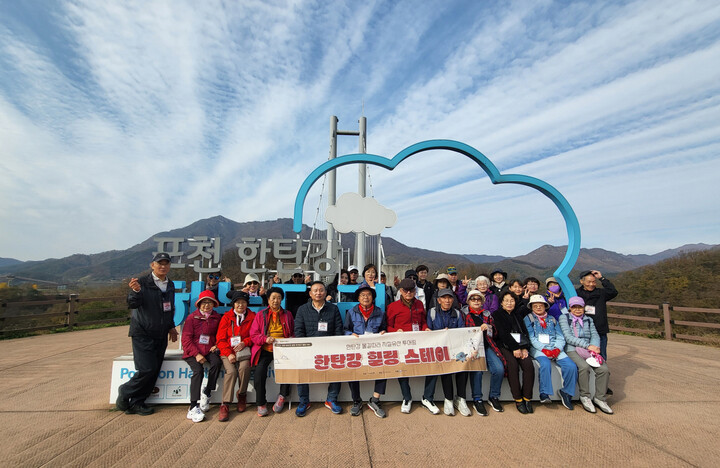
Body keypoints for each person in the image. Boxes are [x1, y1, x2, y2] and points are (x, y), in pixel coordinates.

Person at [117, 252, 178, 416]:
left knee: (155, 370)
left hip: (161, 333)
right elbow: (132, 303)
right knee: (147, 369)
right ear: (152, 265)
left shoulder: (170, 285)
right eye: (160, 263)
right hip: (143, 332)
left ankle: (137, 403)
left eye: (166, 263)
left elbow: (169, 308)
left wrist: (171, 327)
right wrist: (135, 292)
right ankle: (125, 391)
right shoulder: (142, 282)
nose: (163, 266)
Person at [294, 281, 344, 416]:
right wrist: (305, 347)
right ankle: (304, 401)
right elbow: (298, 331)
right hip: (308, 349)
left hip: (329, 348)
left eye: (321, 290)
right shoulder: (302, 309)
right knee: (302, 372)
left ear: (325, 293)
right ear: (310, 294)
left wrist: (334, 346)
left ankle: (331, 399)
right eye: (315, 290)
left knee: (336, 369)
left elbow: (338, 329)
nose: (318, 293)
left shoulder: (333, 309)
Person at [559, 296, 613, 414]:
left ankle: (600, 398)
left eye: (580, 307)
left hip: (589, 349)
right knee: (583, 367)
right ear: (570, 308)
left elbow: (595, 335)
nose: (577, 310)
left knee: (603, 369)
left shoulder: (588, 319)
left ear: (584, 308)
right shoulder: (564, 318)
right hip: (572, 348)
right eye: (574, 307)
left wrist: (593, 348)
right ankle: (585, 396)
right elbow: (568, 337)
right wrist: (587, 346)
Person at [524, 295, 577, 410]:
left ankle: (567, 392)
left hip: (555, 347)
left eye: (541, 305)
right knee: (545, 364)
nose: (538, 307)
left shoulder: (552, 319)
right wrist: (543, 349)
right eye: (535, 305)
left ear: (545, 306)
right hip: (538, 348)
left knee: (571, 366)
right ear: (531, 307)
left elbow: (560, 336)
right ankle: (544, 393)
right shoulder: (528, 318)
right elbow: (531, 337)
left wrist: (557, 348)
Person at [422, 289, 469, 416]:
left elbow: (462, 331)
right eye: (444, 298)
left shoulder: (458, 314)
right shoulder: (432, 312)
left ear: (453, 300)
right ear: (438, 300)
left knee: (463, 365)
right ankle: (448, 400)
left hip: (455, 348)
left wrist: (451, 333)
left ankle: (461, 399)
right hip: (439, 349)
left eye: (449, 298)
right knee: (446, 367)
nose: (447, 300)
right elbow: (429, 330)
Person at [344, 283, 388, 418]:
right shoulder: (351, 312)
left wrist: (383, 332)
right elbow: (345, 329)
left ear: (373, 297)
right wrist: (350, 335)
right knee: (352, 371)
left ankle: (375, 400)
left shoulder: (380, 312)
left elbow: (384, 329)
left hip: (374, 349)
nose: (365, 297)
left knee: (383, 368)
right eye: (362, 295)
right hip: (357, 350)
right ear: (358, 298)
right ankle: (357, 401)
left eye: (368, 294)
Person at [250, 287, 295, 416]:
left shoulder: (288, 314)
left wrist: (290, 339)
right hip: (266, 348)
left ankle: (282, 396)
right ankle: (261, 403)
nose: (276, 301)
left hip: (283, 349)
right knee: (259, 374)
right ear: (268, 300)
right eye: (273, 298)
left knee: (287, 370)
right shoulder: (261, 315)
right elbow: (254, 335)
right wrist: (265, 339)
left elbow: (292, 332)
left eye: (279, 298)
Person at [386, 278, 429, 413]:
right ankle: (407, 397)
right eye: (406, 290)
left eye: (411, 290)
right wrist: (395, 331)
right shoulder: (393, 307)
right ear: (400, 291)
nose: (409, 293)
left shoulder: (420, 305)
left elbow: (422, 322)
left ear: (415, 291)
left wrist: (426, 328)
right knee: (402, 369)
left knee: (431, 366)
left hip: (418, 342)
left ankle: (428, 397)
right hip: (401, 344)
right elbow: (387, 326)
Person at [182, 290, 223, 423]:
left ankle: (208, 391)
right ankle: (193, 406)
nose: (206, 305)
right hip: (193, 351)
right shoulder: (191, 318)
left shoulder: (217, 317)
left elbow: (221, 334)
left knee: (217, 363)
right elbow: (186, 340)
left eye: (209, 302)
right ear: (199, 304)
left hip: (209, 350)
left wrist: (217, 344)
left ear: (214, 304)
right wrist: (196, 354)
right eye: (204, 302)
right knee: (198, 371)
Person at [462, 289, 506, 415]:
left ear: (482, 301)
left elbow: (495, 333)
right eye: (473, 299)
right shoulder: (463, 314)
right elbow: (460, 331)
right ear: (468, 301)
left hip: (487, 346)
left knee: (499, 369)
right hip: (472, 349)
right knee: (478, 371)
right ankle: (477, 399)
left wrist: (489, 328)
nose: (476, 301)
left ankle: (494, 396)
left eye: (478, 299)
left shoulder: (487, 314)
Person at [492, 291, 535, 414]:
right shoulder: (497, 314)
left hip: (520, 346)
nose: (509, 303)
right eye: (506, 301)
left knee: (528, 365)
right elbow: (503, 334)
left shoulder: (518, 315)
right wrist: (515, 348)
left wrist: (525, 347)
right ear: (501, 303)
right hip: (504, 345)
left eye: (512, 301)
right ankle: (518, 399)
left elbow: (524, 332)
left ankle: (527, 398)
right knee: (512, 365)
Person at [216, 291, 256, 421]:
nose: (240, 305)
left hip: (244, 351)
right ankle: (225, 404)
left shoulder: (252, 316)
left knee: (244, 368)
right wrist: (228, 354)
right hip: (227, 351)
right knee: (232, 372)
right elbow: (220, 339)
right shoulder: (226, 317)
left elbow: (254, 335)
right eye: (238, 302)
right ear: (233, 304)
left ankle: (242, 394)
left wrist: (245, 342)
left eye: (243, 302)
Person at [576, 270, 618, 363]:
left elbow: (613, 291)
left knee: (600, 356)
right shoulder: (576, 294)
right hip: (582, 331)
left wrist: (601, 278)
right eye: (589, 282)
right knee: (583, 357)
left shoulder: (601, 293)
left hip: (600, 330)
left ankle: (602, 375)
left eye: (594, 281)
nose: (591, 284)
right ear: (581, 281)